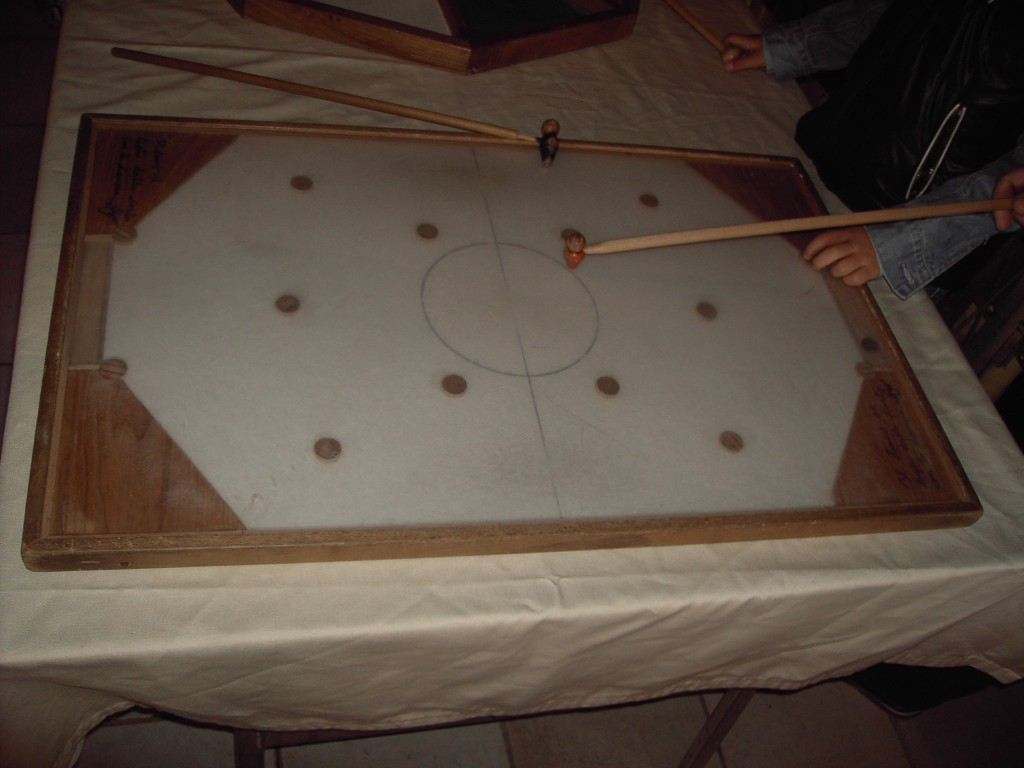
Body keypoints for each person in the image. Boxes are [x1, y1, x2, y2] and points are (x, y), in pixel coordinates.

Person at [720, 0, 1024, 298]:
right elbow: (886, 13)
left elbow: (1012, 183)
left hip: (899, 244)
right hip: (823, 162)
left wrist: (899, 240)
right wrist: (793, 47)